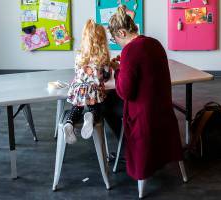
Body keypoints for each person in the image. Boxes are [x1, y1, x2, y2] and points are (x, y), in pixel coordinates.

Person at [108, 6, 183, 181]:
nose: (116, 42)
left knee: (107, 108)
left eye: (114, 38)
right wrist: (123, 67)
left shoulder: (129, 50)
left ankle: (125, 146)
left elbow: (125, 92)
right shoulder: (154, 43)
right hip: (163, 110)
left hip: (144, 116)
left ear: (122, 32)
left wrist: (117, 71)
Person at [63, 19, 111, 144]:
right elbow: (106, 77)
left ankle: (69, 123)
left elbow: (77, 71)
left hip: (78, 88)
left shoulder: (80, 55)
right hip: (94, 89)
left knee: (76, 108)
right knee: (96, 108)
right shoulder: (103, 57)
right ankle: (91, 116)